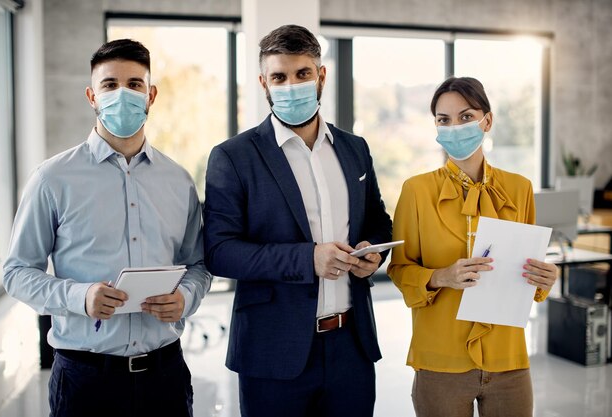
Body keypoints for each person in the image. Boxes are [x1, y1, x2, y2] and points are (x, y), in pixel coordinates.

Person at [3, 39, 211, 417]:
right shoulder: (52, 179)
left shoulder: (179, 181)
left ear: (151, 95)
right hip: (85, 381)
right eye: (109, 85)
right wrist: (79, 297)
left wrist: (185, 298)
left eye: (134, 84)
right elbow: (16, 273)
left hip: (165, 376)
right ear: (91, 96)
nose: (122, 94)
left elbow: (197, 267)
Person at [203, 24, 392, 417]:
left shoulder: (355, 149)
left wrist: (372, 252)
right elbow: (220, 252)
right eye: (279, 77)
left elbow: (378, 220)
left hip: (351, 348)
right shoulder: (233, 157)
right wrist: (308, 259)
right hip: (273, 352)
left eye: (302, 74)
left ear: (321, 76)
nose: (291, 85)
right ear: (263, 83)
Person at [387, 76, 558, 417]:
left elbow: (527, 269)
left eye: (466, 117)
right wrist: (441, 277)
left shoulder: (520, 188)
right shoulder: (416, 191)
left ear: (487, 121)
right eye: (443, 120)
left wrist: (544, 279)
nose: (455, 127)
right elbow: (399, 269)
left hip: (508, 357)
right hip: (440, 358)